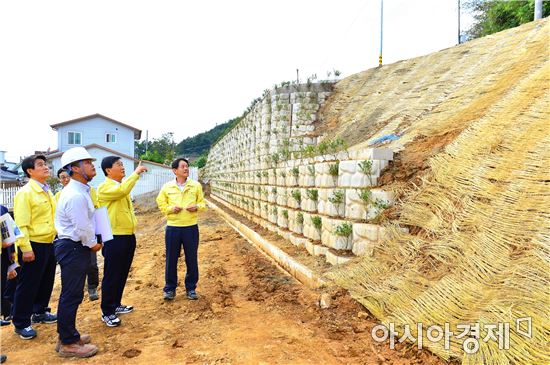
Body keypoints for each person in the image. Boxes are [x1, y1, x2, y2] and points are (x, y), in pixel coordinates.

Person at [54, 147, 101, 358]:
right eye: (87, 162)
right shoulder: (75, 195)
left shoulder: (81, 190)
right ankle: (68, 342)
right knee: (71, 295)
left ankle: (67, 334)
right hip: (73, 247)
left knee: (72, 294)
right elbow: (82, 227)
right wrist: (93, 244)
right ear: (75, 168)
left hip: (74, 247)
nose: (92, 165)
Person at [97, 156, 147, 327]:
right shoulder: (104, 187)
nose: (122, 167)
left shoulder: (119, 185)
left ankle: (116, 304)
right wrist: (136, 173)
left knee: (122, 271)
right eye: (118, 165)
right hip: (114, 236)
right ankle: (107, 311)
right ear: (108, 170)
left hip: (127, 234)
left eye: (122, 164)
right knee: (112, 275)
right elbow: (123, 192)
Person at [12, 155, 57, 340]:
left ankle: (39, 312)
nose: (45, 167)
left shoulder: (47, 190)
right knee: (28, 284)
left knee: (46, 280)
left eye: (45, 164)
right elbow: (20, 224)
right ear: (30, 171)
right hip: (33, 244)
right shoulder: (25, 193)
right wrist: (26, 248)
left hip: (49, 242)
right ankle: (21, 322)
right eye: (40, 165)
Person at [156, 158, 205, 301]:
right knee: (171, 259)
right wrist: (170, 209)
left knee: (191, 258)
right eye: (183, 166)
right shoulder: (167, 187)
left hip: (190, 227)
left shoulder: (195, 186)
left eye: (187, 166)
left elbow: (202, 203)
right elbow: (160, 203)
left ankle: (191, 288)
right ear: (175, 170)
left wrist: (197, 207)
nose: (186, 169)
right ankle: (170, 289)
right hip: (173, 228)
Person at [56, 169, 100, 301]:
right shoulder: (60, 195)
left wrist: (100, 234)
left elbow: (96, 210)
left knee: (92, 264)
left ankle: (92, 287)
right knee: (72, 278)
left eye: (66, 177)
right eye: (62, 178)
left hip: (88, 234)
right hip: (74, 239)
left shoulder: (88, 191)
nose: (65, 180)